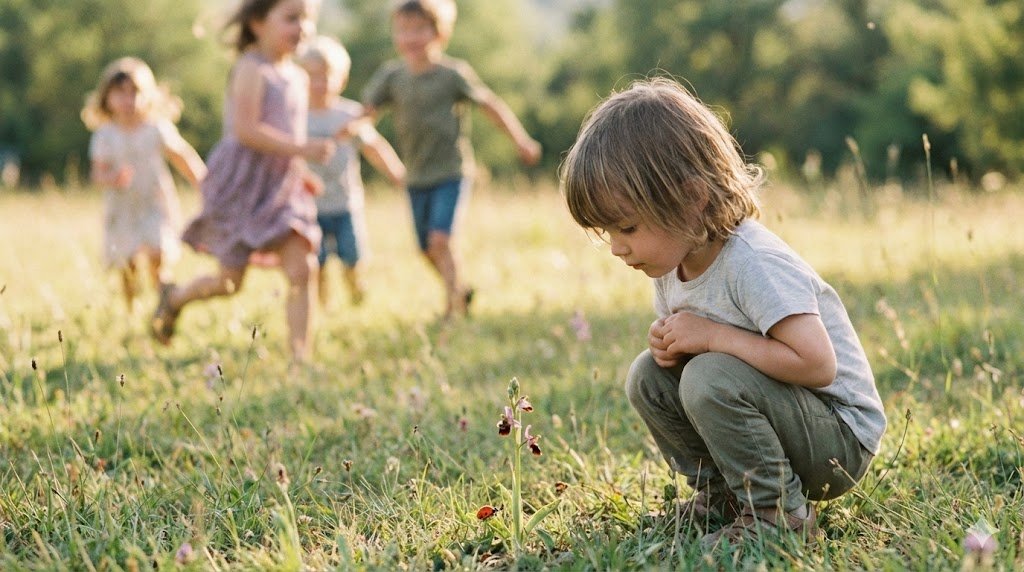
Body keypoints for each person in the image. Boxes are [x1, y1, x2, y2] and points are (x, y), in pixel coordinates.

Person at [560, 78, 886, 549]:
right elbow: (699, 365)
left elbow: (817, 364)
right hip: (779, 419)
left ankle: (779, 517)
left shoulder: (754, 263)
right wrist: (673, 347)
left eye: (627, 226)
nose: (616, 247)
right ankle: (725, 497)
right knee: (647, 376)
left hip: (837, 441)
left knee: (710, 375)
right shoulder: (671, 264)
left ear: (692, 200)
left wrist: (712, 337)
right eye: (607, 231)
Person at [151, 0, 334, 363]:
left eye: (308, 20)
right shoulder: (251, 69)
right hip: (242, 185)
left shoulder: (296, 76)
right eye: (292, 18)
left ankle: (301, 360)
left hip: (281, 189)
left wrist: (300, 170)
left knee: (303, 268)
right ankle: (174, 297)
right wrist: (303, 148)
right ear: (257, 23)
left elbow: (287, 137)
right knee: (230, 283)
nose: (303, 29)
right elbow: (247, 130)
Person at [362, 0, 542, 321]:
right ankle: (459, 288)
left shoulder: (452, 74)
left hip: (451, 173)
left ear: (439, 33)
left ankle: (451, 309)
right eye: (403, 29)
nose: (411, 37)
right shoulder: (392, 77)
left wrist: (520, 139)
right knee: (426, 250)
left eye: (420, 29)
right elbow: (364, 114)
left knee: (441, 240)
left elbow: (490, 105)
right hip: (415, 177)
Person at [82, 57, 207, 312]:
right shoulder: (105, 135)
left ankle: (164, 301)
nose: (129, 101)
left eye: (135, 93)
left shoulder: (156, 129)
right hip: (122, 208)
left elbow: (182, 157)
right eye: (120, 93)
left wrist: (204, 183)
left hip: (154, 203)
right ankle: (131, 308)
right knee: (126, 263)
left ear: (148, 96)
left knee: (157, 252)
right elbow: (97, 174)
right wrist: (112, 179)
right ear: (107, 98)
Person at [297, 36, 406, 308]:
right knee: (316, 264)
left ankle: (357, 296)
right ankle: (322, 307)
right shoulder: (295, 116)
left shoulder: (350, 115)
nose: (319, 83)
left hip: (346, 204)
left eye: (326, 76)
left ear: (341, 80)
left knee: (353, 259)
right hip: (309, 208)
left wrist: (398, 174)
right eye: (312, 76)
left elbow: (375, 147)